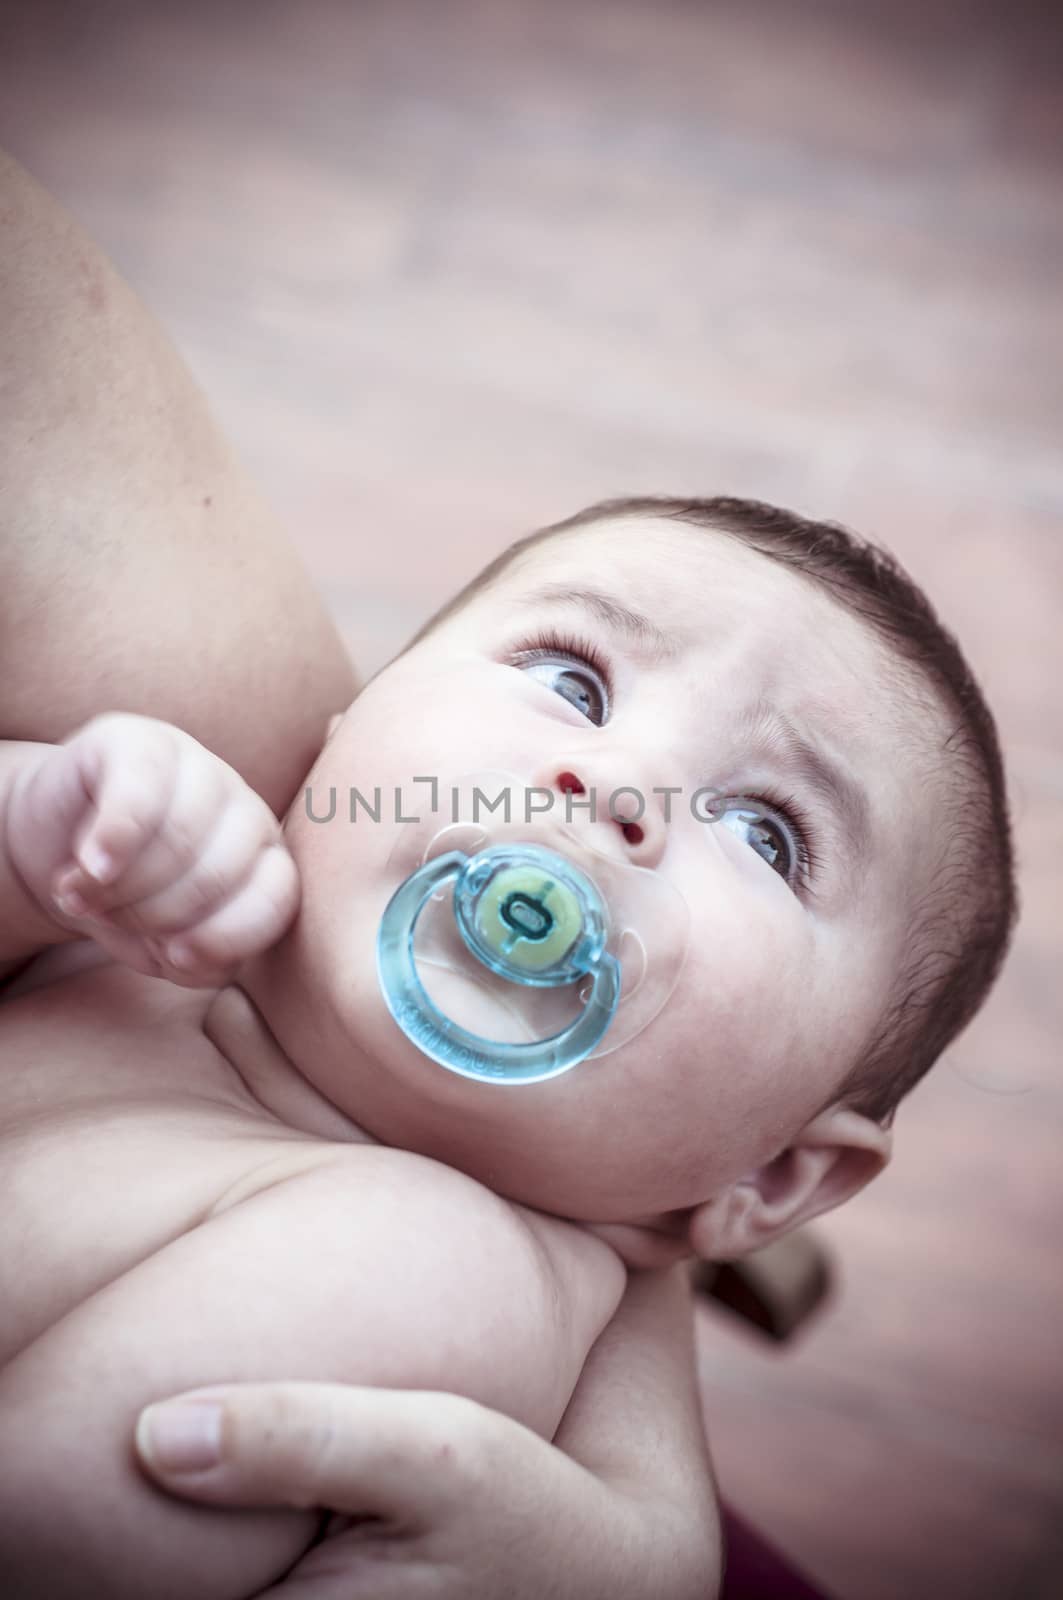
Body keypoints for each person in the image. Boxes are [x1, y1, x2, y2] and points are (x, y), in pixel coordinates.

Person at [0, 156, 1018, 1597]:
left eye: (771, 831)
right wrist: (39, 829)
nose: (617, 791)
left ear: (773, 1172)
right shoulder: (148, 919)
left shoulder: (433, 1264)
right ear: (341, 733)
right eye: (574, 679)